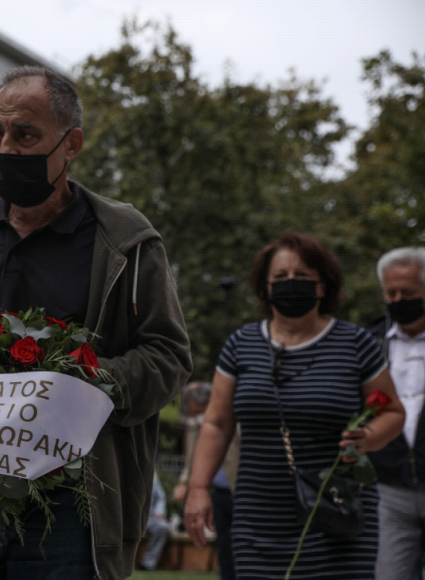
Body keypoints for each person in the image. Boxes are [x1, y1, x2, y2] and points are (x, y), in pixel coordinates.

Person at [0, 66, 192, 580]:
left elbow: (168, 357)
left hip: (74, 504)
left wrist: (81, 382)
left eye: (24, 135)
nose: (6, 149)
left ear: (71, 144)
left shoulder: (125, 240)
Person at [183, 231, 404, 580]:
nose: (290, 284)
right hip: (258, 517)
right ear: (265, 286)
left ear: (322, 285)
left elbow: (393, 411)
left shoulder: (356, 343)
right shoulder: (241, 345)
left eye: (302, 277)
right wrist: (197, 489)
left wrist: (369, 437)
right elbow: (217, 424)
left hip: (337, 511)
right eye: (280, 278)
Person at [368, 247, 425, 580]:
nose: (398, 299)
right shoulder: (371, 343)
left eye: (409, 293)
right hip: (390, 489)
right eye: (391, 293)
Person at [172, 381, 239, 580]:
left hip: (239, 491)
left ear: (210, 399)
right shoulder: (196, 426)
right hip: (217, 494)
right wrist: (185, 482)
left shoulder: (235, 417)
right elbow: (192, 459)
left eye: (198, 410)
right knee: (223, 547)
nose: (197, 416)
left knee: (240, 545)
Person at [140, 473, 171, 571]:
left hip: (148, 516)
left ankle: (147, 564)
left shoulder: (151, 472)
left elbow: (160, 497)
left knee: (162, 527)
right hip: (127, 517)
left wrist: (159, 512)